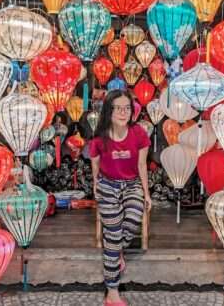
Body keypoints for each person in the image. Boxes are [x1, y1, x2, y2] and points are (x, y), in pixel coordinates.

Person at [89, 89, 152, 306]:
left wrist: (146, 192)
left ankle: (116, 251)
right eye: (118, 108)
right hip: (108, 185)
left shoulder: (139, 134)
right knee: (113, 236)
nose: (123, 112)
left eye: (127, 108)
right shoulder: (99, 138)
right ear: (109, 110)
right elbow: (95, 163)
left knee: (133, 220)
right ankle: (112, 292)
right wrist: (96, 184)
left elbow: (142, 165)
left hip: (132, 184)